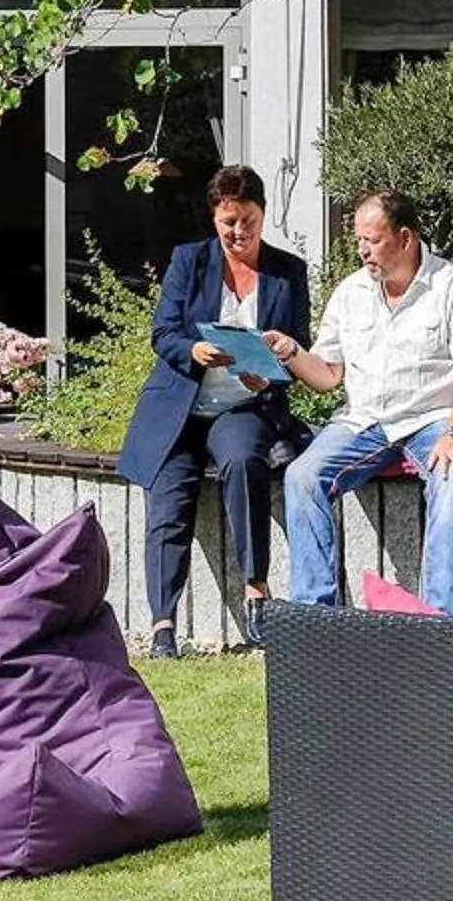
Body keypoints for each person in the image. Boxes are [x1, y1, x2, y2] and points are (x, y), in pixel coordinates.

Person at [114, 164, 314, 659]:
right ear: (214, 218)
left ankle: (255, 588)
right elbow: (163, 333)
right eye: (228, 222)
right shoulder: (189, 260)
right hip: (182, 402)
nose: (238, 231)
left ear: (262, 214)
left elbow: (299, 345)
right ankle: (163, 624)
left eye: (248, 220)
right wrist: (193, 350)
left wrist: (272, 372)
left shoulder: (287, 272)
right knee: (169, 493)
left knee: (244, 460)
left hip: (244, 402)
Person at [268, 189, 453, 618]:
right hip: (365, 420)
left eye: (372, 240)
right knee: (302, 475)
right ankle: (314, 617)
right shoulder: (350, 292)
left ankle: (441, 624)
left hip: (436, 418)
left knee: (451, 480)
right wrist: (291, 352)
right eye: (358, 240)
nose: (362, 250)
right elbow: (328, 375)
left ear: (405, 238)